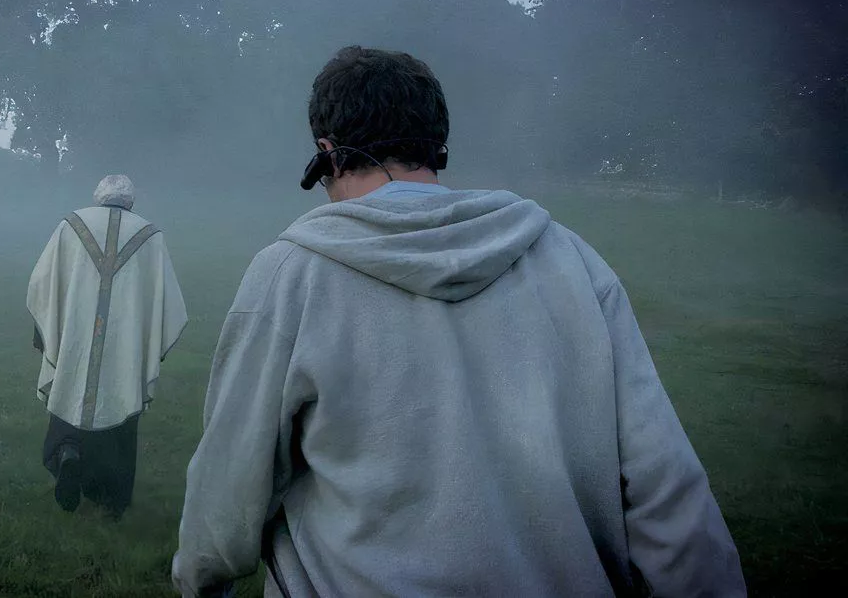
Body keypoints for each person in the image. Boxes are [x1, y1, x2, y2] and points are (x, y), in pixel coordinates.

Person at [171, 47, 745, 597]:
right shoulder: (571, 260)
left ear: (329, 152)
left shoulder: (290, 275)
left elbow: (233, 474)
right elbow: (661, 478)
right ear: (436, 144)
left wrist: (204, 576)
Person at [27, 174, 188, 519]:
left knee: (71, 387)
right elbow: (168, 302)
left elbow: (42, 282)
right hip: (124, 341)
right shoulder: (150, 235)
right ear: (131, 201)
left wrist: (46, 331)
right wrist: (150, 344)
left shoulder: (72, 225)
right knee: (120, 399)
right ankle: (111, 501)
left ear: (98, 197)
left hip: (76, 335)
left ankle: (68, 451)